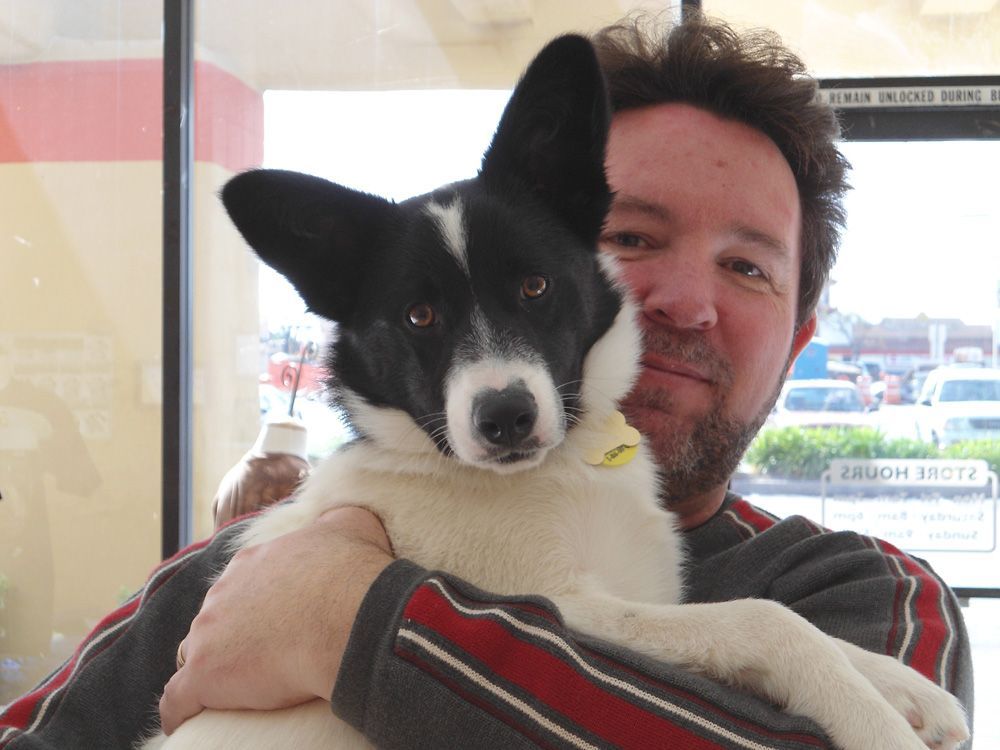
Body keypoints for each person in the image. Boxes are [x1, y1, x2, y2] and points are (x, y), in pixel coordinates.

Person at [0, 12, 973, 750]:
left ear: (802, 337)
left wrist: (342, 618)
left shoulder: (863, 595)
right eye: (633, 238)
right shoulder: (232, 576)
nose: (681, 299)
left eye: (747, 265)